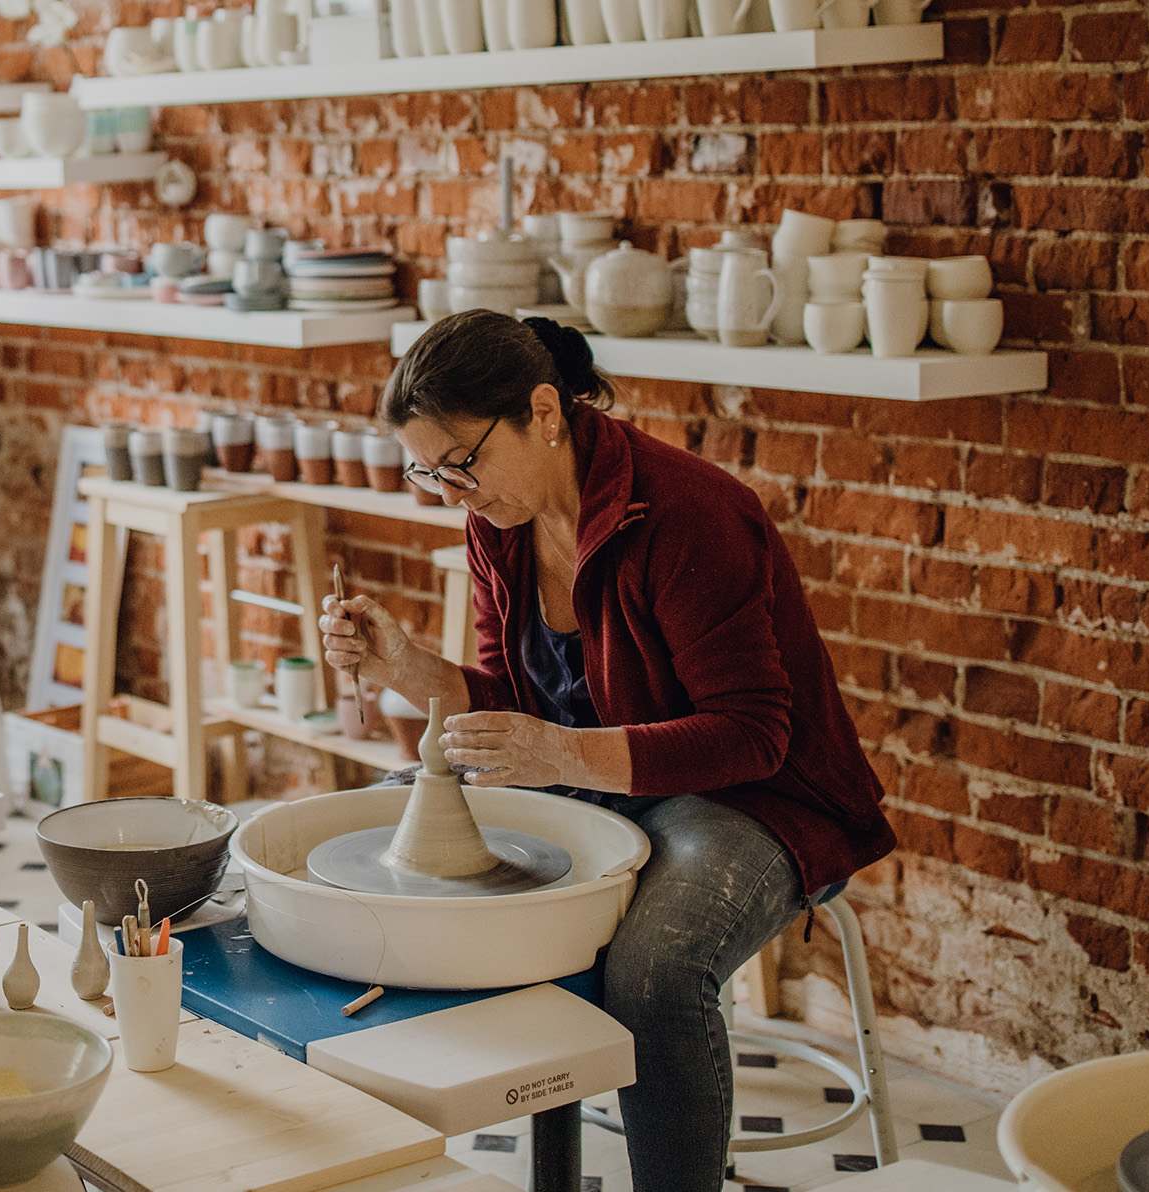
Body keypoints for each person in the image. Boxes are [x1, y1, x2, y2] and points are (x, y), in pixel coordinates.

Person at [319, 309, 895, 1190]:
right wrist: (401, 665)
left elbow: (753, 733)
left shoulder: (688, 512)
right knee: (369, 853)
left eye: (461, 464)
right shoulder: (498, 521)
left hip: (758, 796)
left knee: (655, 973)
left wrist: (565, 758)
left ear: (544, 412)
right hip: (597, 782)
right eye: (427, 472)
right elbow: (513, 706)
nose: (449, 494)